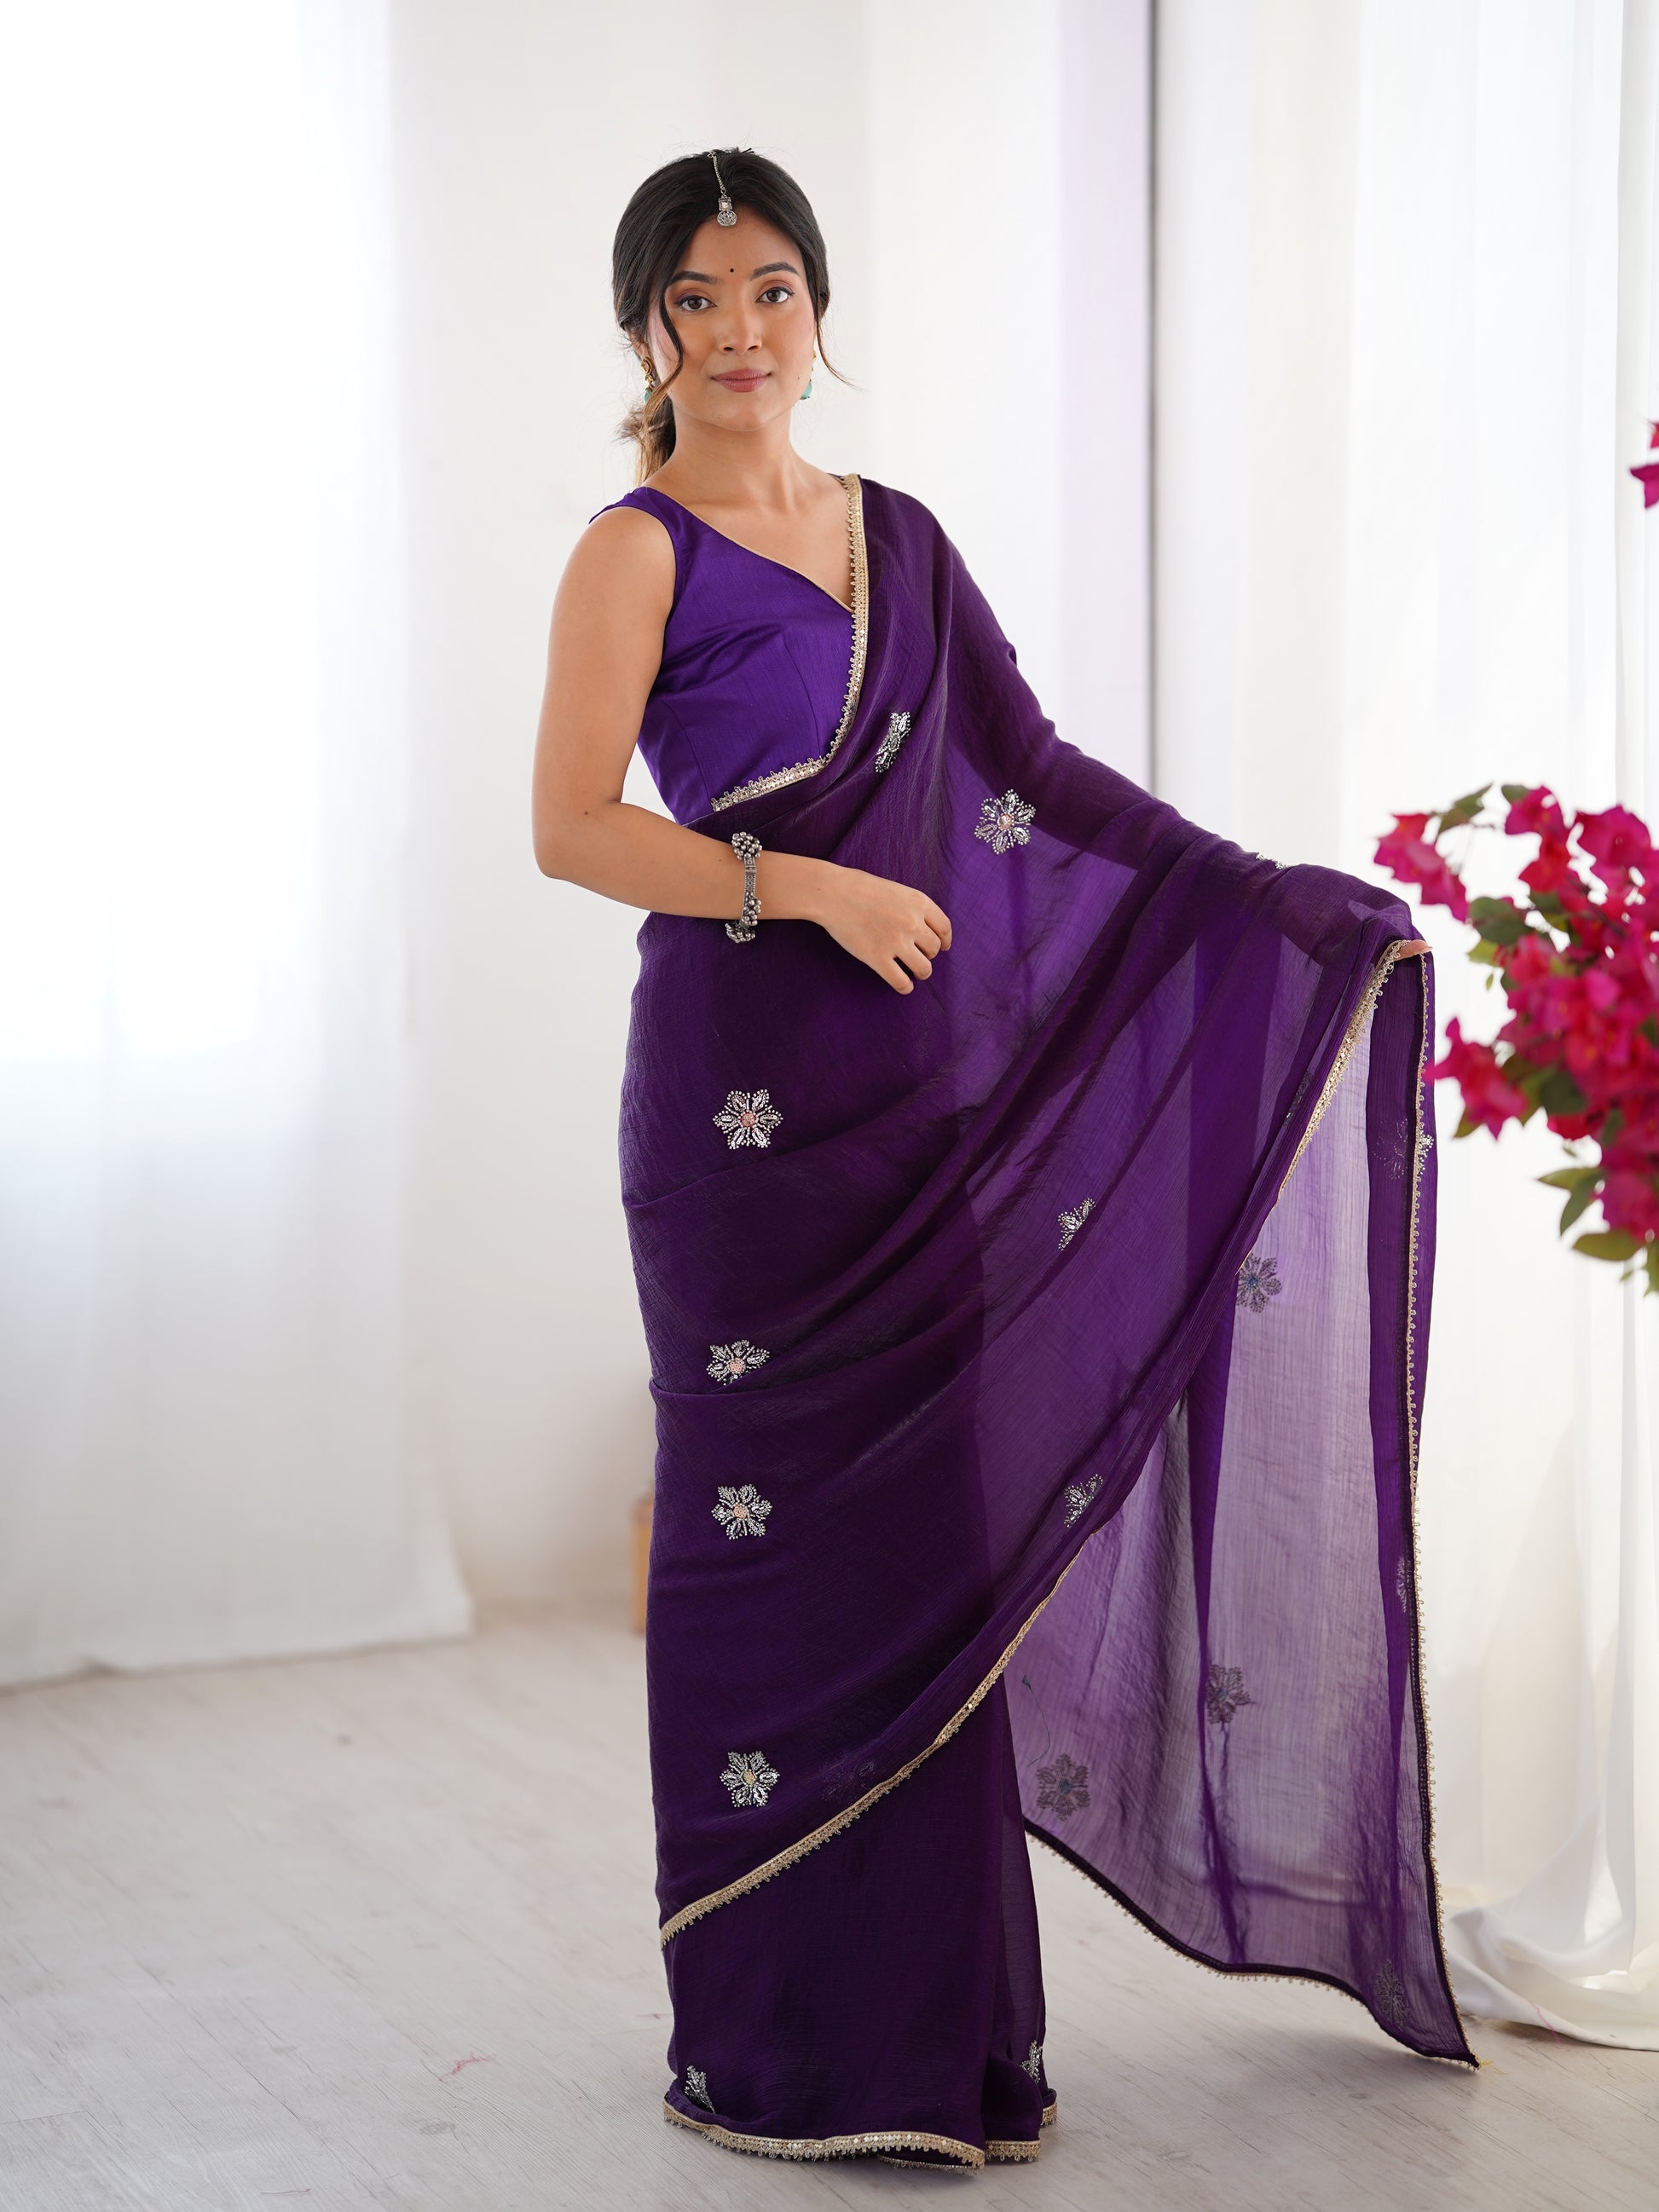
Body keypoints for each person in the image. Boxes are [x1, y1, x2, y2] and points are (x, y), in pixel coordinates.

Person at [531, 147, 1477, 2173]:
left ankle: (945, 2043)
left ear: (819, 311)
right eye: (695, 298)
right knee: (770, 1549)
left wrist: (1269, 899)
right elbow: (573, 826)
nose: (739, 332)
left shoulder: (901, 539)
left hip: (915, 1112)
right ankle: (774, 2042)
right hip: (738, 1119)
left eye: (772, 290)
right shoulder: (633, 551)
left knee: (929, 1554)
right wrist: (803, 886)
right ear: (644, 328)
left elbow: (1033, 775)